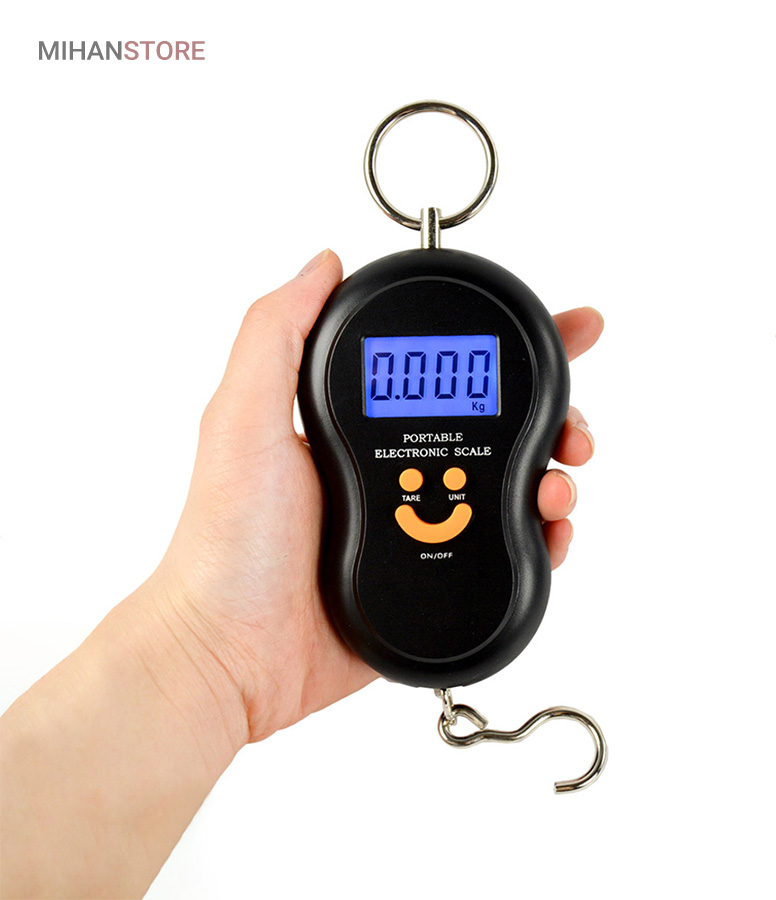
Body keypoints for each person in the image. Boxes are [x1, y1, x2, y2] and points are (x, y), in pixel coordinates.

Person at [0, 250, 603, 899]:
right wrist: (212, 654)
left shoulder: (404, 326)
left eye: (462, 380)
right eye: (404, 379)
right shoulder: (491, 319)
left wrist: (205, 662)